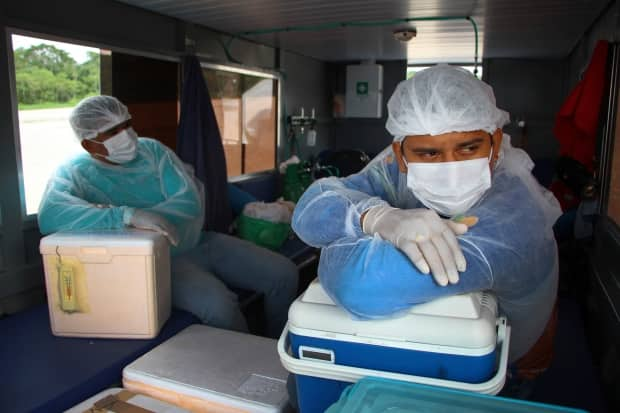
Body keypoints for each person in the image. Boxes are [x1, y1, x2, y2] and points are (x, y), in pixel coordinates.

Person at [292, 65, 561, 380]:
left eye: (469, 148)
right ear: (400, 154)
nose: (450, 167)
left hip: (508, 358)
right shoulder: (397, 170)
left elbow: (360, 285)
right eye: (429, 154)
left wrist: (345, 229)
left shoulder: (515, 217)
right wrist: (376, 217)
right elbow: (311, 207)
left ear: (495, 141)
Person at [38, 95, 298, 338]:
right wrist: (127, 216)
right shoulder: (75, 172)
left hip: (198, 242)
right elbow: (51, 215)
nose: (126, 135)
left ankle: (278, 347)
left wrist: (144, 217)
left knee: (284, 274)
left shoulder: (152, 151)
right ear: (88, 143)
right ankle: (246, 366)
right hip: (157, 262)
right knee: (219, 308)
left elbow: (188, 202)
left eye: (126, 125)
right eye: (112, 132)